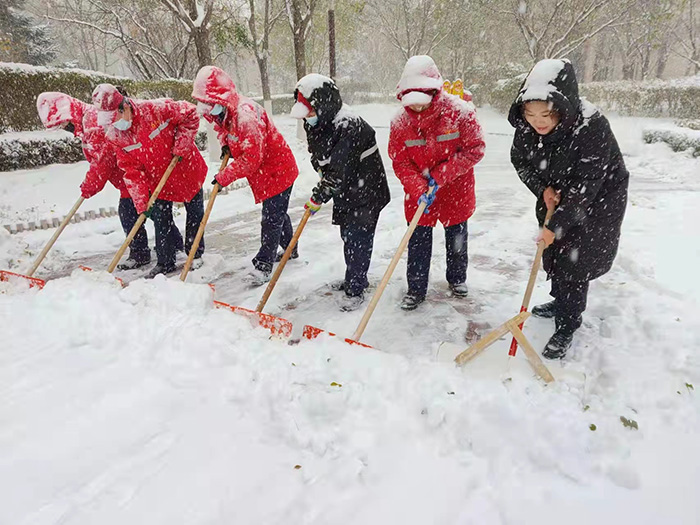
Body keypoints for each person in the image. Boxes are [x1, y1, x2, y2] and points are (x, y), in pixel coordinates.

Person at [508, 58, 629, 359]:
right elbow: (520, 161)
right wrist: (542, 188)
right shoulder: (526, 129)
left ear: (563, 107)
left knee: (577, 259)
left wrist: (553, 227)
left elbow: (586, 187)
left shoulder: (592, 127)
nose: (539, 121)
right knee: (555, 253)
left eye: (547, 113)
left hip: (598, 201)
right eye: (531, 113)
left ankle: (568, 321)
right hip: (558, 194)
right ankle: (559, 299)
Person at [388, 55, 485, 311]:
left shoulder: (460, 113)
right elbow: (400, 162)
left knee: (457, 238)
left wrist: (442, 174)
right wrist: (419, 187)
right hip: (419, 192)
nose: (417, 110)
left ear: (434, 92)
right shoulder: (400, 122)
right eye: (412, 104)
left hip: (456, 189)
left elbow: (476, 148)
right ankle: (416, 289)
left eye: (423, 103)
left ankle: (457, 279)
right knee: (417, 240)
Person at [290, 73, 390, 311]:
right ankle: (354, 278)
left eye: (311, 113)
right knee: (348, 237)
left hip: (367, 192)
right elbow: (319, 156)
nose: (308, 119)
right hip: (347, 191)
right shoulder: (318, 123)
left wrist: (320, 195)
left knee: (358, 239)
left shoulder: (349, 126)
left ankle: (356, 288)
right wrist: (321, 172)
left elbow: (340, 170)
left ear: (323, 105)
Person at [191, 66, 300, 286]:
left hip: (278, 170)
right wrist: (225, 146)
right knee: (277, 214)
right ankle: (291, 248)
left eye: (208, 105)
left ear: (220, 100)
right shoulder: (225, 111)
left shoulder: (245, 116)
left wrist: (225, 177)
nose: (207, 111)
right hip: (267, 172)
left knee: (271, 219)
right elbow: (224, 130)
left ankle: (263, 266)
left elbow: (252, 159)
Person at [93, 84, 207, 278]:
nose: (114, 124)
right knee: (162, 219)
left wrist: (182, 145)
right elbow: (130, 170)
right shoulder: (116, 135)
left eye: (116, 118)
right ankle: (165, 262)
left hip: (184, 168)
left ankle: (195, 253)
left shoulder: (154, 109)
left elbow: (189, 114)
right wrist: (140, 201)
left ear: (125, 106)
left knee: (194, 213)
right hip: (158, 179)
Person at [36, 90, 150, 269]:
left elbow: (103, 160)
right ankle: (168, 247)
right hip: (127, 177)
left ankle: (142, 254)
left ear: (70, 113)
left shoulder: (92, 123)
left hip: (132, 175)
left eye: (64, 124)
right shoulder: (84, 122)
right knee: (152, 212)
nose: (66, 128)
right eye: (61, 126)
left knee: (133, 213)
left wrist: (91, 185)